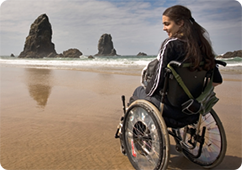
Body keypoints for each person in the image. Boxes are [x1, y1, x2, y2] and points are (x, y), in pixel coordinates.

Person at [129, 5, 223, 128]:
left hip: (169, 111)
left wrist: (147, 91)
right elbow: (217, 80)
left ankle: (136, 131)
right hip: (192, 109)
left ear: (180, 23)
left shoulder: (171, 44)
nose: (164, 28)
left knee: (139, 91)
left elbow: (157, 83)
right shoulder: (202, 46)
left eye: (167, 24)